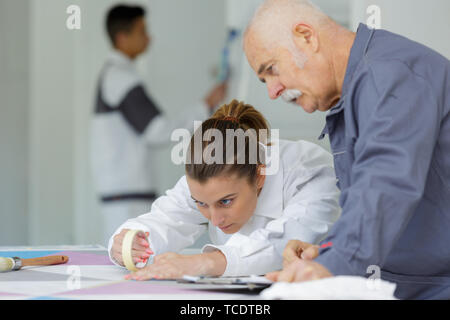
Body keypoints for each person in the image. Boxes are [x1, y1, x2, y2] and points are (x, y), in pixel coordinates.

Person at [243, 0, 450, 299]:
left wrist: (335, 261)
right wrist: (326, 251)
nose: (272, 92)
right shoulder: (358, 89)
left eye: (272, 70)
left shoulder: (389, 75)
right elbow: (371, 202)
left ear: (306, 36)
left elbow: (386, 183)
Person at [108, 99, 341, 280]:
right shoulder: (209, 179)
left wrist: (206, 262)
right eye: (201, 204)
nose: (216, 220)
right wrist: (130, 241)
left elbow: (289, 239)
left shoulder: (307, 170)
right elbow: (165, 219)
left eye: (226, 202)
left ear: (260, 176)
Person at [91, 4, 227, 246]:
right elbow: (157, 131)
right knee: (128, 258)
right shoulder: (121, 77)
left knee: (127, 256)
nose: (149, 37)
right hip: (127, 195)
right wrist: (205, 105)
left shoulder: (116, 75)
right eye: (142, 31)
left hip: (124, 193)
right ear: (122, 37)